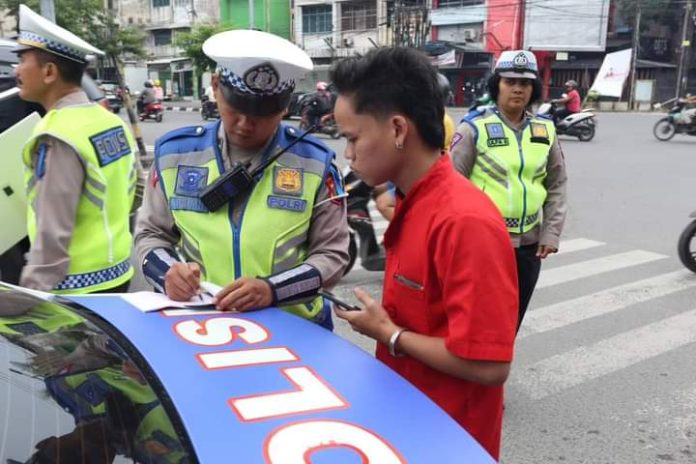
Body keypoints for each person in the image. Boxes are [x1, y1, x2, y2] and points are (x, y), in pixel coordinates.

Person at [331, 47, 518, 461]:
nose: (349, 154)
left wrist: (390, 335)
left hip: (449, 438)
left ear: (398, 129)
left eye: (353, 138)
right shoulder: (412, 202)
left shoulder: (463, 221)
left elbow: (489, 367)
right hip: (407, 420)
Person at [134, 29, 349, 330]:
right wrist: (167, 273)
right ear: (216, 86)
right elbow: (151, 234)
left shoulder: (316, 163)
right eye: (236, 108)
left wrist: (272, 290)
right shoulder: (174, 154)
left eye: (262, 114)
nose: (246, 124)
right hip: (203, 328)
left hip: (297, 332)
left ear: (286, 106)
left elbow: (333, 255)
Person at [13, 4, 137, 294]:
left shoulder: (58, 134)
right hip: (118, 273)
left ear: (49, 72)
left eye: (22, 60)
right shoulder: (109, 121)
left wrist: (26, 300)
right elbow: (136, 188)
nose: (16, 70)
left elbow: (52, 233)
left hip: (74, 292)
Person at [450, 50, 568, 331]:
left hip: (529, 247)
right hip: (485, 244)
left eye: (525, 83)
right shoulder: (474, 128)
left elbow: (557, 184)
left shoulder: (545, 130)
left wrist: (551, 232)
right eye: (510, 81)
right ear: (496, 85)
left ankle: (494, 371)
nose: (518, 88)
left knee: (512, 319)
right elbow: (451, 185)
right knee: (480, 318)